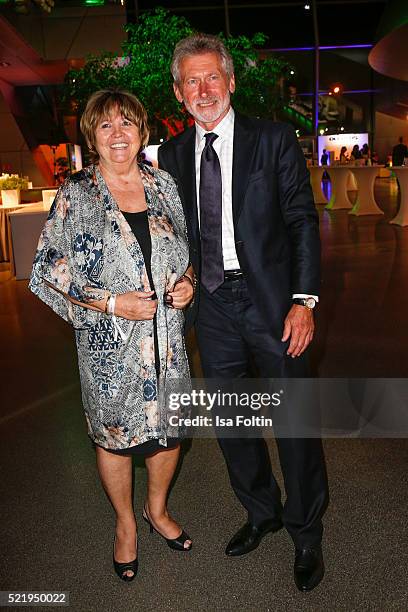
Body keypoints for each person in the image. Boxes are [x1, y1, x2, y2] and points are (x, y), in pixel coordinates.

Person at [158, 34, 329, 592]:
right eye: (192, 80)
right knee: (232, 423)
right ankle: (263, 512)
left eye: (213, 77)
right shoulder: (175, 154)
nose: (204, 89)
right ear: (179, 92)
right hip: (211, 306)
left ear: (230, 82)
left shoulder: (273, 139)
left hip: (272, 303)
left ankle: (306, 532)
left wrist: (303, 301)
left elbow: (302, 221)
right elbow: (175, 233)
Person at [29, 89, 195, 582]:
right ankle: (125, 524)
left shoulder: (164, 184)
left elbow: (184, 251)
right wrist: (110, 302)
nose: (118, 134)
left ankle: (157, 511)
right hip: (110, 351)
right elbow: (46, 269)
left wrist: (186, 283)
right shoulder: (75, 195)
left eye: (127, 124)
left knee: (170, 435)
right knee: (115, 438)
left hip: (168, 341)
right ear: (92, 137)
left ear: (142, 133)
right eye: (106, 126)